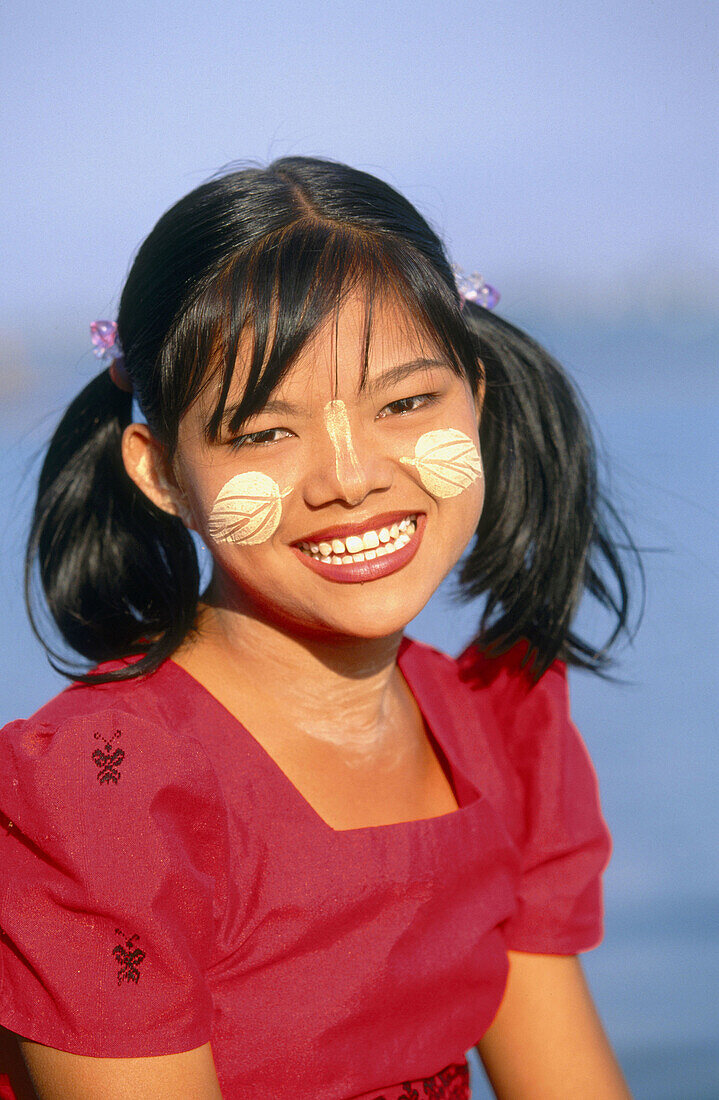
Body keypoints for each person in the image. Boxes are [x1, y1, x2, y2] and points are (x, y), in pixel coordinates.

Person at [0, 157, 637, 1099]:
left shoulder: (497, 729)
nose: (349, 476)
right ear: (160, 470)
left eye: (407, 404)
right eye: (262, 432)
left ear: (478, 397)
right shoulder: (106, 794)